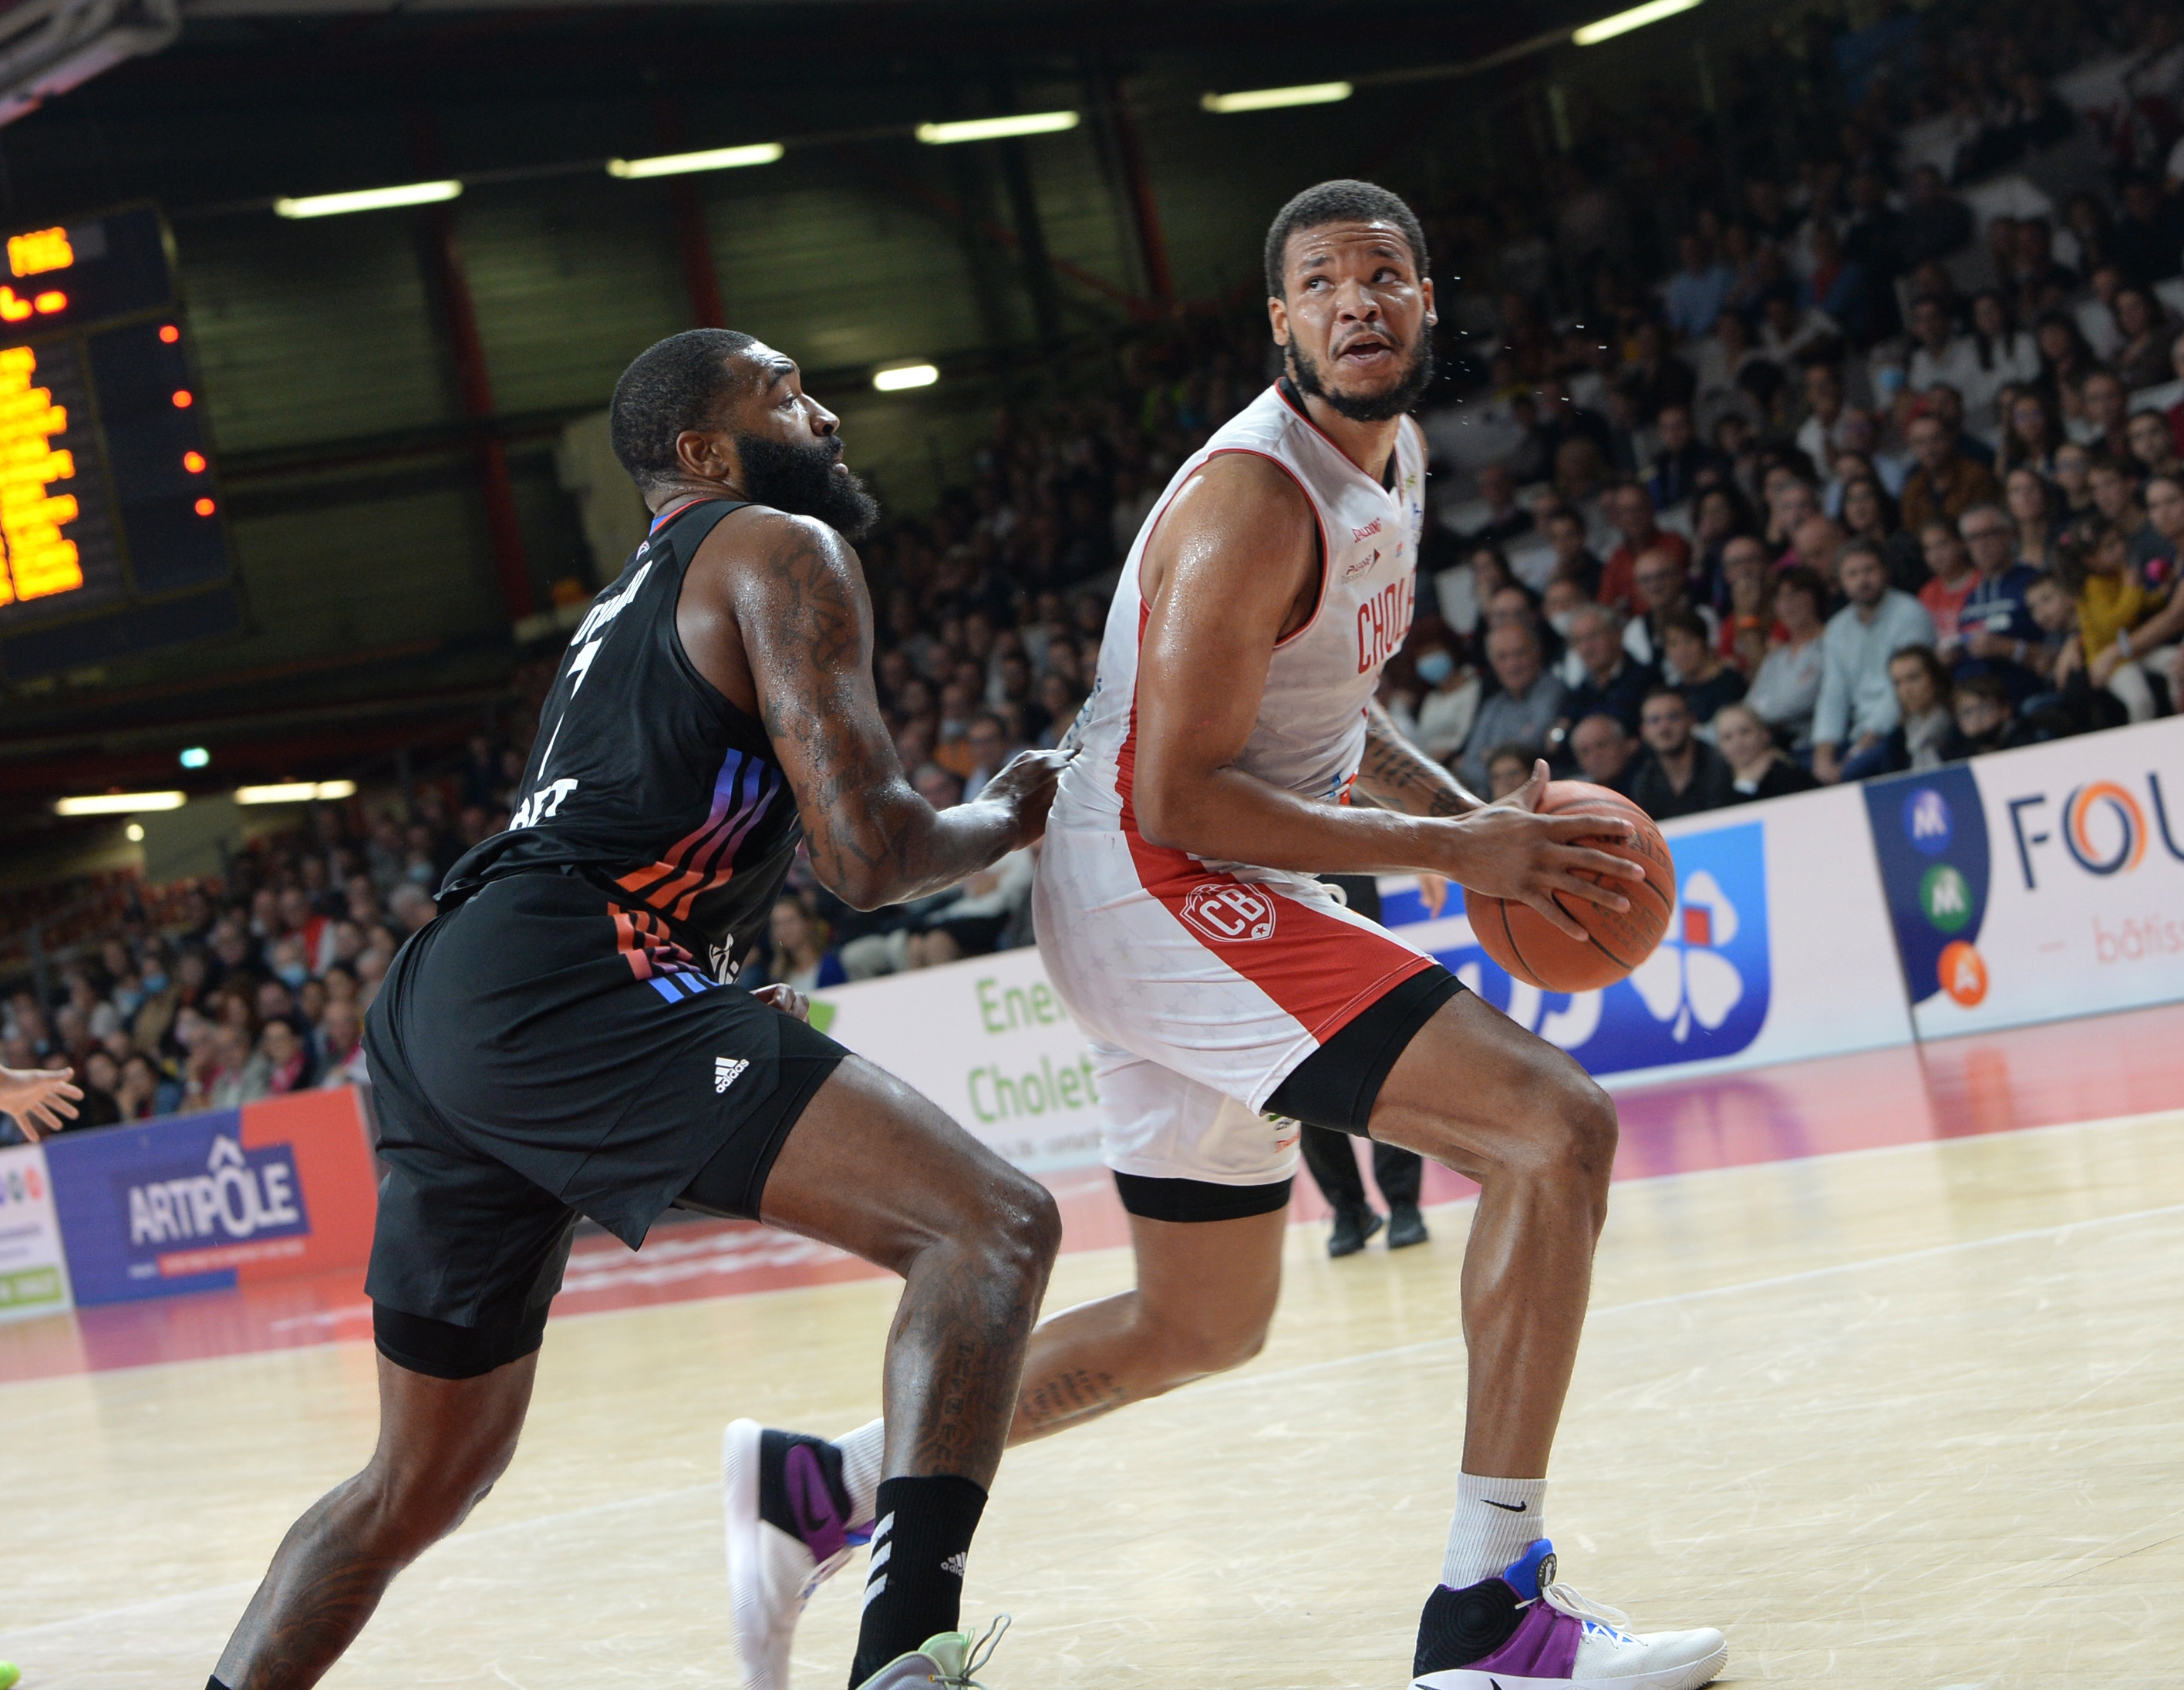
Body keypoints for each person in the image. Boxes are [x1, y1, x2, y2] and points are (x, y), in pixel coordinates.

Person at [738, 178, 1727, 1690]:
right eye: (1322, 281)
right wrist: (1462, 848)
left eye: (1384, 273)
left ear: (1425, 301)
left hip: (1158, 887)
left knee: (1199, 1324)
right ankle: (1491, 1621)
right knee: (1553, 1126)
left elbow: (1327, 706)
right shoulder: (1254, 495)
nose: (1357, 300)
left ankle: (830, 1483)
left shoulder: (1385, 469)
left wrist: (1474, 827)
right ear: (1281, 322)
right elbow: (1187, 793)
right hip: (1160, 877)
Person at [211, 329, 1071, 1690]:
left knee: (418, 1483)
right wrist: (1009, 811)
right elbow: (867, 857)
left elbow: (637, 825)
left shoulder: (627, 601)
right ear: (706, 451)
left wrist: (698, 979)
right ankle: (906, 1657)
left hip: (450, 998)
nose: (826, 414)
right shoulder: (776, 549)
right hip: (570, 977)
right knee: (991, 1225)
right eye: (787, 393)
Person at [1298, 870, 1431, 1257]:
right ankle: (1348, 1208)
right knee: (1300, 1050)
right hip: (1263, 869)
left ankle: (1403, 1201)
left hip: (1335, 844)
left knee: (1379, 1028)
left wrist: (1425, 861)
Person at [1813, 540, 1938, 783]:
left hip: (1901, 725)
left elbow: (1904, 691)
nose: (1863, 580)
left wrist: (1861, 747)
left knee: (1852, 773)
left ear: (1885, 572)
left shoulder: (1910, 613)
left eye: (1869, 570)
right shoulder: (1837, 628)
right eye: (1852, 574)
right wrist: (1823, 753)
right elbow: (1833, 694)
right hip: (1858, 733)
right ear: (1841, 581)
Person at [1461, 621, 1568, 793]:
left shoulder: (1553, 691)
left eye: (1520, 653)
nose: (1512, 665)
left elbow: (1533, 746)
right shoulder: (1492, 706)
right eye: (1502, 657)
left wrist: (1492, 758)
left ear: (1537, 652)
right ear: (1492, 663)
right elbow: (1469, 766)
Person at [1745, 566, 1831, 752]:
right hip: (1774, 746)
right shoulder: (1776, 658)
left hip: (1813, 746)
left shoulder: (1831, 644)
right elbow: (1750, 705)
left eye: (1793, 594)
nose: (1786, 605)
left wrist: (1751, 721)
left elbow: (1799, 701)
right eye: (1779, 598)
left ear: (1814, 596)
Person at [1625, 688, 1736, 820]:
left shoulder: (1721, 764)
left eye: (1673, 717)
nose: (1664, 728)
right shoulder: (1645, 782)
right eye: (1654, 720)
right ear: (1643, 731)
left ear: (1691, 720)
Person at [1899, 410, 2000, 534]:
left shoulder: (1976, 476)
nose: (1929, 449)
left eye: (1936, 439)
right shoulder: (1912, 489)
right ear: (1912, 447)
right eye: (1920, 442)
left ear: (1949, 439)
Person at [1559, 604, 1656, 734]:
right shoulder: (1580, 692)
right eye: (1578, 640)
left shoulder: (1646, 681)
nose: (1587, 648)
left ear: (1617, 635)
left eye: (1593, 636)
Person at [1880, 646, 1967, 771]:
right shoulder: (1897, 740)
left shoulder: (1961, 724)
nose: (1906, 690)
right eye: (1897, 683)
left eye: (1913, 678)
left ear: (1935, 678)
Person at [1713, 703, 1818, 803]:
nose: (1737, 742)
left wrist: (1745, 786)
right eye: (1727, 737)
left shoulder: (1787, 774)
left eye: (1745, 732)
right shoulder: (1717, 781)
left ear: (1765, 734)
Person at [1661, 610, 1745, 729]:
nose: (1682, 651)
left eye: (1688, 641)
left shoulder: (1730, 682)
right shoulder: (1675, 693)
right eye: (1673, 644)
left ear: (1704, 643)